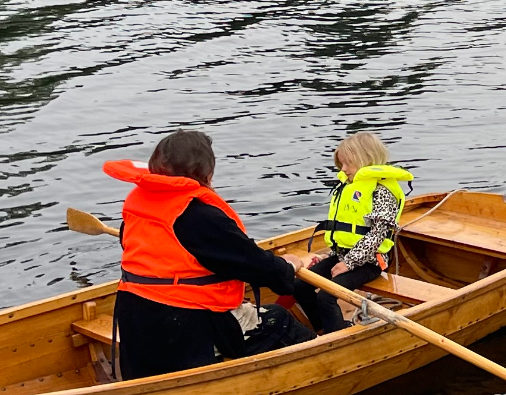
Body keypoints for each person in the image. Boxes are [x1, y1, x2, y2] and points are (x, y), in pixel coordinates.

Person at [104, 129, 313, 380]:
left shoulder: (139, 202)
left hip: (136, 318)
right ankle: (322, 366)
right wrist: (288, 266)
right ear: (206, 173)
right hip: (183, 326)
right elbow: (260, 268)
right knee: (278, 319)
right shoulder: (198, 214)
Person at [292, 132, 413, 335]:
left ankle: (337, 338)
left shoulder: (382, 190)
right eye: (342, 164)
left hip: (369, 261)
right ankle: (323, 329)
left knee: (326, 296)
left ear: (366, 159)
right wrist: (335, 257)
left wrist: (348, 264)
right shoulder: (348, 186)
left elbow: (377, 235)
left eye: (348, 164)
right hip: (342, 254)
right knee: (300, 286)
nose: (344, 169)